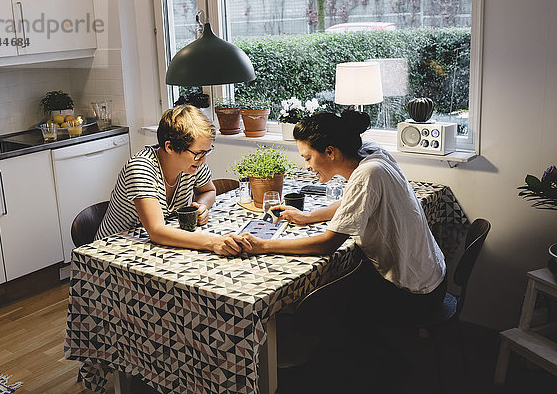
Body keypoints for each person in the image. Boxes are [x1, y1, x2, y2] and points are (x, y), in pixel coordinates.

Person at [240, 109, 446, 320]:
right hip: (432, 274)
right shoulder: (371, 153)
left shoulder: (368, 173)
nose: (307, 167)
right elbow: (355, 201)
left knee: (321, 307)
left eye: (308, 158)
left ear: (330, 152)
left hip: (415, 294)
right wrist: (309, 216)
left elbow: (327, 243)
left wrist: (262, 246)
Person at [96, 104, 250, 256]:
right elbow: (157, 231)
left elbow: (209, 190)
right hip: (111, 251)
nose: (203, 160)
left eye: (206, 152)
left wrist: (202, 206)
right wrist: (213, 242)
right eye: (198, 153)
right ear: (169, 147)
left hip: (152, 248)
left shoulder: (194, 162)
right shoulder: (141, 168)